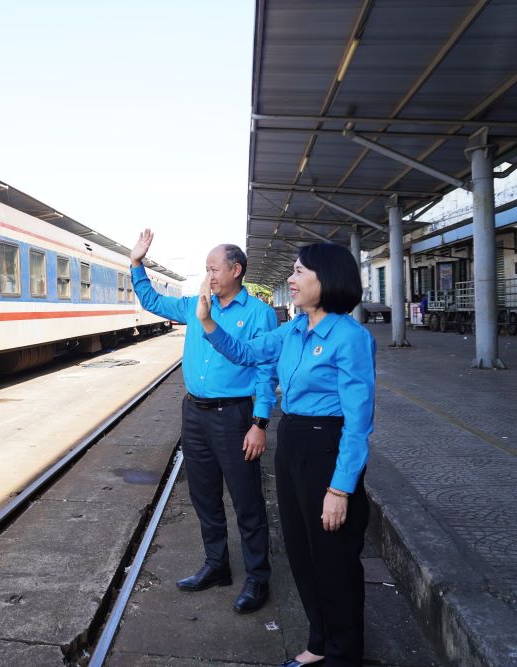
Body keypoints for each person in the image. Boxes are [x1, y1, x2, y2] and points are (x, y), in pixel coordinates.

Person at [196, 242, 375, 667]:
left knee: (335, 560)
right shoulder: (292, 330)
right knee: (301, 552)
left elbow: (358, 423)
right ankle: (319, 643)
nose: (290, 281)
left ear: (325, 279)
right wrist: (207, 323)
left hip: (326, 448)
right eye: (291, 272)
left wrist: (340, 488)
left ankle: (344, 655)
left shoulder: (351, 337)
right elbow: (245, 353)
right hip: (293, 440)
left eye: (298, 273)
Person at [130, 229, 278, 614]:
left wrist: (259, 423)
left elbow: (266, 372)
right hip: (194, 413)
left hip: (235, 417)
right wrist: (136, 263)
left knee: (246, 501)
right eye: (206, 269)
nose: (208, 276)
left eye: (214, 269)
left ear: (236, 270)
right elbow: (151, 300)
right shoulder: (195, 304)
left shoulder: (259, 313)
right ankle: (216, 566)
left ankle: (257, 577)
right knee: (204, 496)